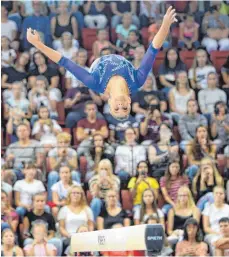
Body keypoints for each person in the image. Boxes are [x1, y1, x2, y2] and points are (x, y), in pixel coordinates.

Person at [26, 7, 177, 119]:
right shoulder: (137, 81)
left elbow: (65, 62)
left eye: (116, 109)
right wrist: (165, 25)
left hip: (98, 62)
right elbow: (153, 49)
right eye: (124, 108)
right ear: (129, 101)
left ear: (109, 103)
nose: (120, 106)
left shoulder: (95, 82)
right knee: (139, 51)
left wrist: (38, 45)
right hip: (121, 59)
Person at [58, 185, 94, 251]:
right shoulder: (64, 210)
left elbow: (90, 225)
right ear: (69, 195)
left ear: (81, 195)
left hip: (85, 236)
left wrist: (88, 235)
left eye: (78, 193)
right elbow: (61, 228)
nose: (76, 195)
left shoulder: (87, 209)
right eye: (73, 193)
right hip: (69, 237)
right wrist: (70, 236)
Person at [47, 132, 80, 200]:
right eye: (60, 142)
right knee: (53, 174)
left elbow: (74, 167)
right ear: (57, 143)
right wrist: (61, 158)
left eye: (65, 142)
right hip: (57, 172)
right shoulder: (52, 152)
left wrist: (67, 157)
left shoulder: (72, 152)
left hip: (69, 172)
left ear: (68, 143)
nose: (63, 144)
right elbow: (53, 168)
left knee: (75, 174)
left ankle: (79, 196)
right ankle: (51, 200)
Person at [203, 186, 229, 255]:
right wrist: (219, 233)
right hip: (212, 234)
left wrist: (226, 237)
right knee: (217, 244)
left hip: (227, 233)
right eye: (216, 193)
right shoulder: (208, 208)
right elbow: (206, 228)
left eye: (221, 193)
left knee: (220, 244)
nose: (218, 195)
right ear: (213, 195)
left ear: (224, 195)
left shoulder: (228, 208)